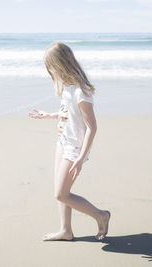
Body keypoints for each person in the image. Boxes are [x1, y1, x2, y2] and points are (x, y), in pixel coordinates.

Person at [28, 42, 111, 241]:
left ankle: (101, 215)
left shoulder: (81, 91)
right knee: (61, 190)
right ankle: (66, 230)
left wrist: (81, 158)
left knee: (61, 194)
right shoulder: (68, 87)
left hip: (75, 148)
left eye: (51, 67)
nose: (50, 72)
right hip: (63, 142)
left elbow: (92, 127)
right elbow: (70, 113)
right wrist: (50, 115)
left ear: (61, 64)